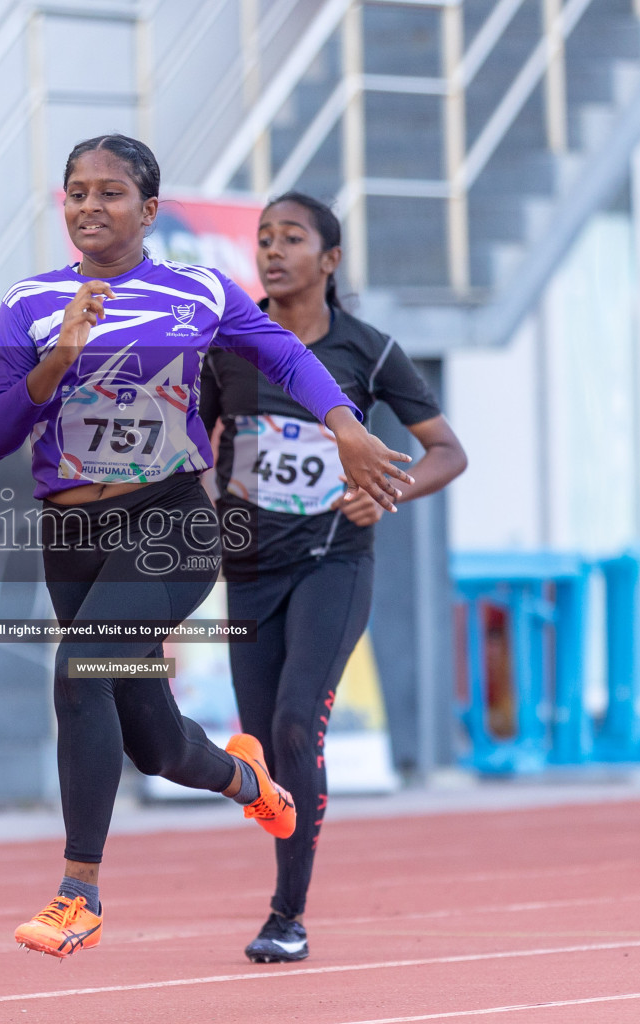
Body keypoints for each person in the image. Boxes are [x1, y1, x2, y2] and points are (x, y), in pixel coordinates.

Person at [0, 136, 416, 958]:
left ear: (148, 211)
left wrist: (346, 426)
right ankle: (250, 780)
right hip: (72, 533)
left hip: (171, 519)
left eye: (110, 193)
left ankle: (80, 894)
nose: (89, 207)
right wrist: (58, 359)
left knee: (80, 666)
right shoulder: (28, 305)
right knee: (155, 742)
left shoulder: (198, 292)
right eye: (76, 192)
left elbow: (283, 353)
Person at [198, 192, 467, 963]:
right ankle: (286, 889)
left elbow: (447, 451)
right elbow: (191, 433)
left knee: (293, 723)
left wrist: (387, 490)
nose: (272, 251)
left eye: (291, 238)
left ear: (331, 259)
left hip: (333, 560)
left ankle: (288, 914)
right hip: (247, 568)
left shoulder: (368, 351)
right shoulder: (231, 342)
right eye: (263, 238)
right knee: (261, 749)